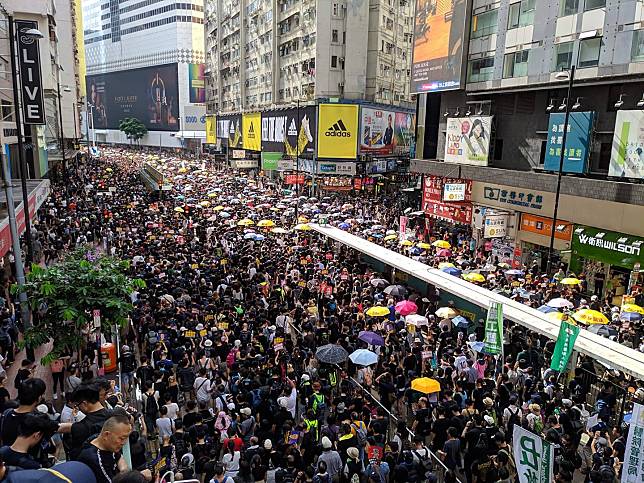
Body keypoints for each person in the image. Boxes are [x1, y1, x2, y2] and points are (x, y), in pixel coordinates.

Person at [77, 414, 151, 483]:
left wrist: (124, 472)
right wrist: (139, 476)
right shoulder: (95, 460)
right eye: (121, 438)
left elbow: (119, 456)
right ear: (106, 435)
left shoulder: (105, 443)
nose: (124, 442)